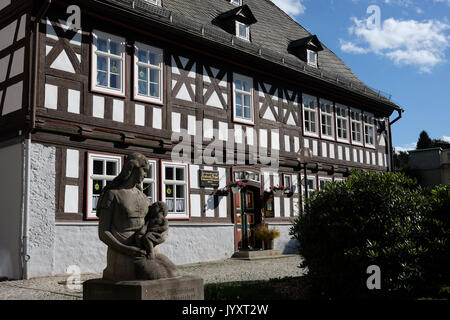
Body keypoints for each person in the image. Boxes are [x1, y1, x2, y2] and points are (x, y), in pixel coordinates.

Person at [96, 152, 178, 281]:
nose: (146, 175)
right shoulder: (113, 195)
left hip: (145, 248)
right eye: (144, 171)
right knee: (156, 275)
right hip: (123, 251)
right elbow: (103, 232)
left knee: (173, 272)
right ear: (133, 168)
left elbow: (153, 222)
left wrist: (161, 232)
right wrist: (126, 249)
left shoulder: (143, 196)